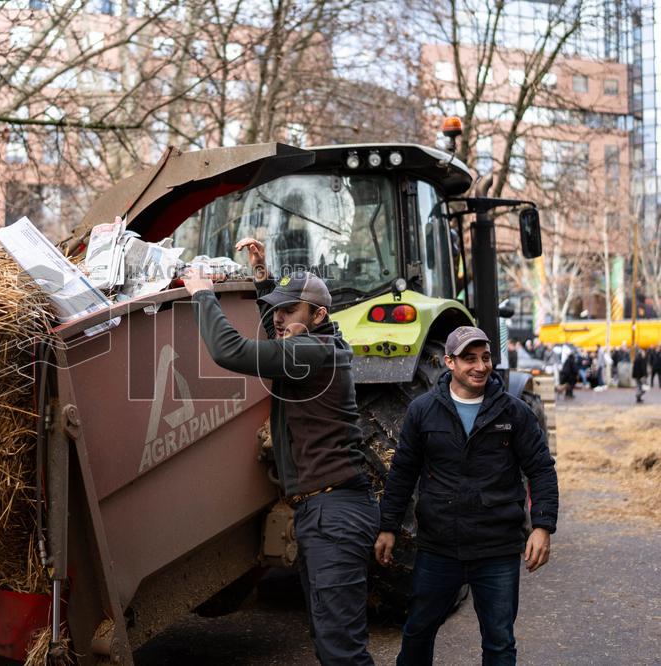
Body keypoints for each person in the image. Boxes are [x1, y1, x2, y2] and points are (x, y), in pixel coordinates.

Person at [182, 238, 378, 665]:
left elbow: (229, 351)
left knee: (342, 649)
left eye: (289, 311)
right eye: (277, 310)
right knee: (330, 639)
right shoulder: (321, 343)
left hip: (334, 515)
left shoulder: (311, 352)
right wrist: (262, 278)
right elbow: (281, 336)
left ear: (319, 315)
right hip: (325, 510)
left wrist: (201, 294)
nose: (279, 319)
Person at [374, 326, 558, 666]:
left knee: (500, 642)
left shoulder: (514, 412)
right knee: (418, 631)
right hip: (440, 546)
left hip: (497, 546)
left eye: (485, 358)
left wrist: (542, 527)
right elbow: (402, 472)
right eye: (469, 358)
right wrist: (387, 526)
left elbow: (541, 468)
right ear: (449, 362)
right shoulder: (423, 410)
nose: (480, 366)